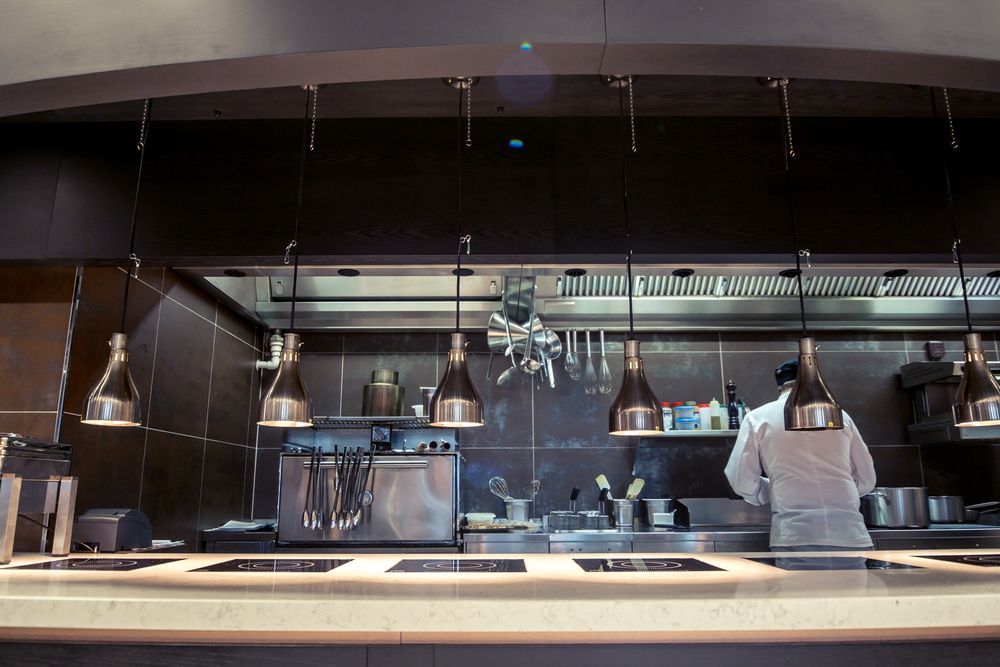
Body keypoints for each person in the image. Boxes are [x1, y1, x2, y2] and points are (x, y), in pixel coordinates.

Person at [724, 358, 877, 564]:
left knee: (800, 595)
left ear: (780, 386)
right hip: (849, 535)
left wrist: (778, 487)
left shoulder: (759, 418)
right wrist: (836, 490)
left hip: (796, 536)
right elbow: (866, 478)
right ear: (816, 379)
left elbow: (742, 481)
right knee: (853, 595)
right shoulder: (840, 416)